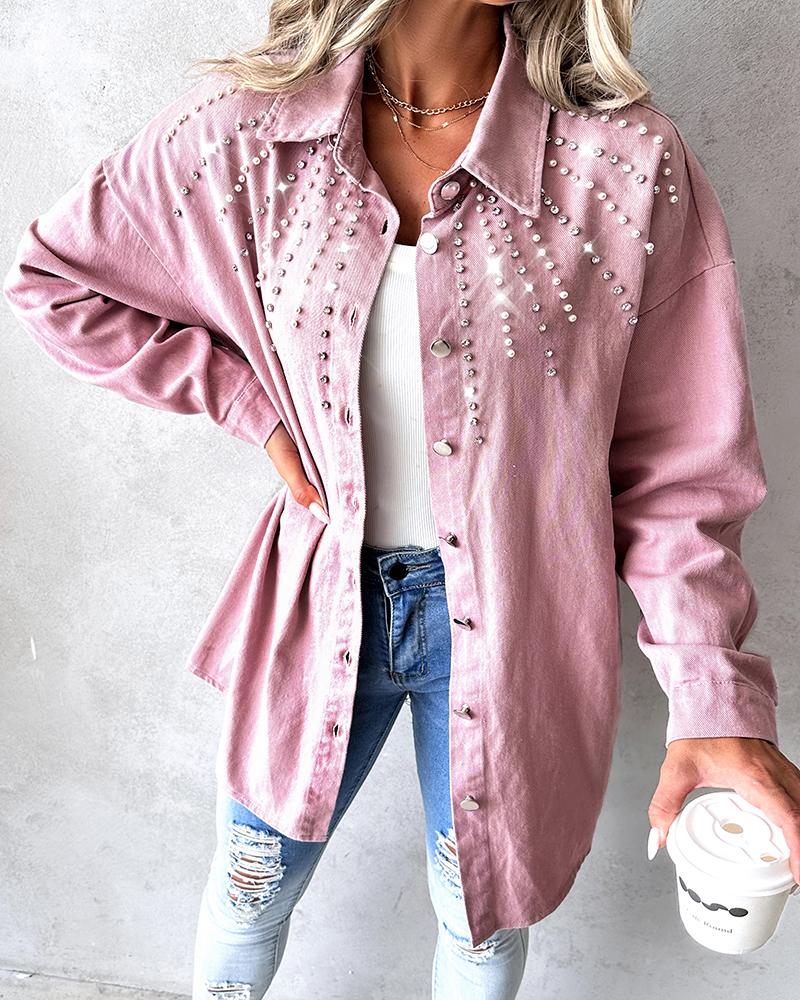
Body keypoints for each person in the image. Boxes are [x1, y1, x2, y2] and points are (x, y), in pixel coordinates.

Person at [4, 1, 799, 998]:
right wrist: (249, 405)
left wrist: (715, 698)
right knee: (248, 891)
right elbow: (57, 282)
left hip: (518, 633)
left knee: (478, 921)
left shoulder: (626, 167)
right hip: (318, 609)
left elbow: (682, 468)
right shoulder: (245, 136)